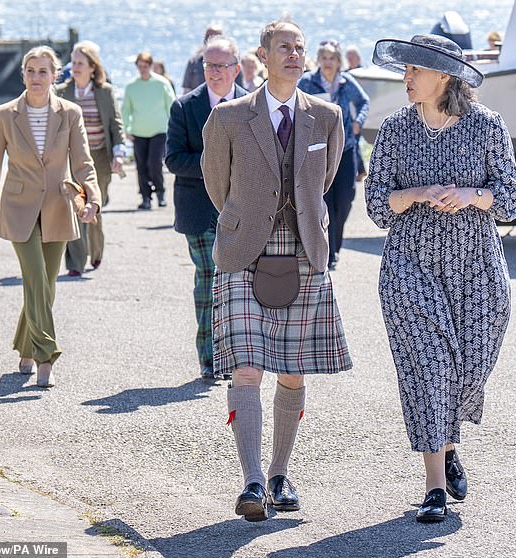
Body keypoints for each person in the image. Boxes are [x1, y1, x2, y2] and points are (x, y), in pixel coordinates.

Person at [366, 34, 516, 523]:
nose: (406, 78)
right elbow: (376, 205)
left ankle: (449, 439)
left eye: (416, 71)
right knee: (428, 371)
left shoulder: (486, 126)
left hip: (477, 266)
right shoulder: (395, 129)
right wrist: (414, 192)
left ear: (445, 77)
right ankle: (434, 483)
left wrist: (470, 194)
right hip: (410, 265)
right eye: (406, 70)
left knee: (470, 368)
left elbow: (512, 201)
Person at [202, 19, 352, 522]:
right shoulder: (227, 118)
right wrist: (249, 220)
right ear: (262, 56)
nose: (294, 53)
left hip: (305, 251)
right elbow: (217, 186)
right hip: (245, 251)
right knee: (248, 367)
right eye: (283, 46)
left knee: (292, 372)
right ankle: (250, 482)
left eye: (300, 47)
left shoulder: (328, 117)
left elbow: (325, 180)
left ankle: (279, 474)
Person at [0, 46, 100, 388]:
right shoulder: (4, 114)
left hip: (59, 207)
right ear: (23, 74)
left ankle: (25, 347)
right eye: (31, 71)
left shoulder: (70, 113)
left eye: (44, 71)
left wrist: (92, 199)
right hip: (18, 208)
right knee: (34, 276)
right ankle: (46, 355)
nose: (37, 78)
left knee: (47, 282)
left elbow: (84, 163)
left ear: (55, 75)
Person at [166, 36, 248, 382]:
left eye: (221, 66)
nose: (214, 72)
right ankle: (210, 357)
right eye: (209, 66)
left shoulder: (251, 104)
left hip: (241, 211)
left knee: (237, 284)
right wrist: (215, 163)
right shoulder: (185, 107)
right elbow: (173, 159)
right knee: (210, 278)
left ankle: (238, 356)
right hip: (199, 210)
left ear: (236, 69)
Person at [298, 40, 369, 270]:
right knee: (324, 201)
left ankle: (334, 246)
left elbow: (364, 101)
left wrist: (358, 122)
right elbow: (295, 103)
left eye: (332, 58)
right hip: (318, 149)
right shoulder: (308, 82)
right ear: (319, 60)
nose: (328, 63)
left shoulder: (346, 82)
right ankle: (327, 252)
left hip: (346, 147)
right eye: (325, 58)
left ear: (339, 61)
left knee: (345, 199)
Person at [56, 41, 126, 277]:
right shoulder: (62, 92)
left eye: (79, 63)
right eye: (73, 63)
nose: (74, 67)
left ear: (92, 67)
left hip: (99, 157)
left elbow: (116, 125)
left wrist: (119, 154)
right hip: (71, 157)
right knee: (75, 206)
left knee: (95, 204)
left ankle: (95, 251)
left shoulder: (104, 91)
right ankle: (76, 262)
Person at [122, 51, 176, 210]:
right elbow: (126, 110)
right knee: (141, 166)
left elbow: (172, 105)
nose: (143, 69)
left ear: (150, 66)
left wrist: (174, 127)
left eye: (145, 66)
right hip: (138, 132)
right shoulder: (132, 87)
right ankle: (145, 197)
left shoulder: (162, 83)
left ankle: (160, 193)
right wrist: (126, 129)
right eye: (140, 66)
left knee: (154, 163)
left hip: (159, 130)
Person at [344, 44, 367, 182]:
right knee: (355, 143)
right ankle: (361, 170)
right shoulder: (346, 75)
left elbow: (364, 99)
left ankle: (361, 170)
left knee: (355, 143)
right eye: (348, 57)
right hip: (350, 117)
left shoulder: (364, 73)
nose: (350, 59)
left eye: (352, 57)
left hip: (361, 115)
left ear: (358, 57)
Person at [182, 25, 224, 93]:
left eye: (216, 37)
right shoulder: (193, 62)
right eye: (209, 37)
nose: (211, 40)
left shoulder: (232, 64)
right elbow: (186, 90)